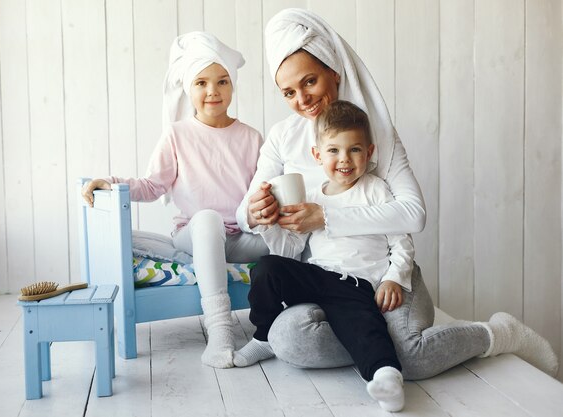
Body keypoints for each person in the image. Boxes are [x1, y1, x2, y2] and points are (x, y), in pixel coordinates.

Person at [235, 8, 558, 378]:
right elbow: (245, 208)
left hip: (387, 273)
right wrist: (255, 212)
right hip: (330, 278)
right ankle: (375, 338)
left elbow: (413, 213)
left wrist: (326, 216)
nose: (302, 99)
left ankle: (498, 334)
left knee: (414, 361)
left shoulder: (373, 133)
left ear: (333, 72)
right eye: (289, 92)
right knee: (291, 340)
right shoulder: (282, 137)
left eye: (310, 82)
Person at [82, 32, 268, 369]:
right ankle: (221, 331)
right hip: (194, 235)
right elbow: (152, 185)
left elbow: (261, 192)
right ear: (188, 88)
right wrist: (110, 183)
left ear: (232, 85)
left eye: (222, 81)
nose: (213, 91)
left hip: (239, 237)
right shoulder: (177, 135)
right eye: (202, 83)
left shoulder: (252, 137)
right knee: (208, 219)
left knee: (287, 240)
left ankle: (293, 317)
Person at [235, 100, 412, 412]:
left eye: (354, 150)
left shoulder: (376, 190)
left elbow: (401, 242)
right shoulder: (314, 197)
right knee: (267, 267)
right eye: (333, 151)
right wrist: (267, 225)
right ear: (317, 155)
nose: (344, 159)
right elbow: (289, 249)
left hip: (355, 285)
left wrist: (393, 278)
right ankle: (263, 337)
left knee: (365, 327)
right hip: (316, 276)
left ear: (369, 153)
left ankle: (387, 376)